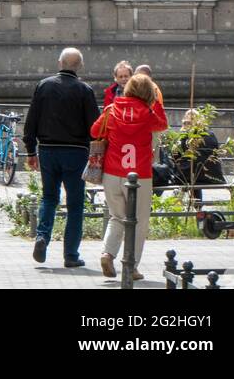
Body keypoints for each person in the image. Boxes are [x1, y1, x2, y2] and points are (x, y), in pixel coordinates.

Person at [23, 47, 100, 268]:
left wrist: (30, 151)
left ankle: (42, 236)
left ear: (59, 63)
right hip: (76, 152)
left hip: (47, 150)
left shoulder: (44, 86)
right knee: (75, 205)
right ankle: (71, 255)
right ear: (80, 66)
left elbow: (31, 121)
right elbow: (94, 127)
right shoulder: (84, 90)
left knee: (49, 197)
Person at [90, 72, 168, 279]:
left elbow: (94, 130)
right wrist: (157, 101)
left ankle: (108, 253)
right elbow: (162, 125)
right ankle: (131, 266)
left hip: (112, 173)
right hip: (139, 175)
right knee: (139, 221)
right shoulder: (148, 113)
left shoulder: (111, 110)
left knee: (117, 216)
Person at [170, 109, 225, 205]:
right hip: (210, 176)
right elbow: (216, 153)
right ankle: (197, 208)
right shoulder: (211, 135)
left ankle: (179, 206)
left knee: (189, 173)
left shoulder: (184, 137)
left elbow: (175, 156)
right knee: (195, 173)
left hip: (187, 177)